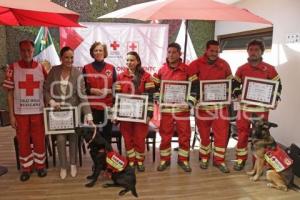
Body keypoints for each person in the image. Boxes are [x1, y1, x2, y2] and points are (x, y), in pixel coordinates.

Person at [232, 39, 282, 171]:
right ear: (248, 51)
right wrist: (237, 93)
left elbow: (278, 86)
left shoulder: (270, 69)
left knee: (260, 136)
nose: (253, 52)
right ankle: (240, 160)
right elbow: (235, 85)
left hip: (261, 109)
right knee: (242, 134)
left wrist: (275, 99)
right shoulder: (241, 68)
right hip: (244, 108)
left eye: (256, 50)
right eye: (251, 50)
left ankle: (258, 162)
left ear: (261, 52)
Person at [44, 46, 93, 179]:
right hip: (57, 113)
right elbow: (46, 90)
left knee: (73, 138)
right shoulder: (54, 71)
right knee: (60, 139)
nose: (69, 60)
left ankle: (72, 164)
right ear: (61, 58)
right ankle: (63, 166)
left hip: (74, 112)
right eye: (66, 57)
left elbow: (83, 96)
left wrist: (88, 114)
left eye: (71, 57)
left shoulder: (77, 73)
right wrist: (51, 101)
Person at [2, 40, 47, 181]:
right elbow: (9, 93)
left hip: (38, 111)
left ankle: (40, 166)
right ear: (19, 51)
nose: (26, 53)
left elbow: (46, 91)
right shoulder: (12, 68)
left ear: (33, 51)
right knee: (23, 140)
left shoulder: (41, 68)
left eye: (29, 50)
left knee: (39, 139)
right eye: (23, 50)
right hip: (20, 113)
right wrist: (11, 116)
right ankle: (26, 168)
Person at [152, 43, 198, 172]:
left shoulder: (188, 70)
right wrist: (157, 98)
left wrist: (189, 103)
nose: (171, 55)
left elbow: (195, 87)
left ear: (180, 54)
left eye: (174, 52)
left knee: (185, 136)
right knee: (165, 136)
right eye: (169, 52)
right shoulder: (161, 70)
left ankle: (183, 161)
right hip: (166, 110)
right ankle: (164, 160)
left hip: (182, 110)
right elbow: (154, 87)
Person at [189, 40, 233, 173]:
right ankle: (204, 157)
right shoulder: (195, 64)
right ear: (206, 50)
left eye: (217, 51)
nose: (214, 53)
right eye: (212, 50)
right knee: (204, 136)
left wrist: (229, 94)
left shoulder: (224, 64)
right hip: (202, 108)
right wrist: (194, 99)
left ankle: (219, 160)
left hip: (220, 108)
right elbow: (192, 85)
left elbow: (230, 82)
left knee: (221, 135)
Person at [114, 51, 155, 172]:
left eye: (132, 60)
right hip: (125, 115)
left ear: (137, 61)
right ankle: (131, 161)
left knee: (139, 139)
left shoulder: (147, 77)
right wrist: (116, 113)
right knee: (127, 139)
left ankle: (140, 161)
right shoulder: (120, 77)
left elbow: (151, 97)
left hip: (141, 116)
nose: (129, 63)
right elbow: (117, 97)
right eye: (127, 60)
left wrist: (149, 114)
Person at [82, 42, 117, 143]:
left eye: (100, 50)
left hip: (109, 107)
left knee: (108, 135)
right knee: (93, 135)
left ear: (104, 52)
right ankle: (97, 157)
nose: (98, 52)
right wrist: (91, 90)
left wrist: (109, 91)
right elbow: (82, 88)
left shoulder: (111, 68)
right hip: (93, 107)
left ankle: (108, 157)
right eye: (95, 50)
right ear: (92, 53)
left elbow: (117, 88)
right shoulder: (86, 68)